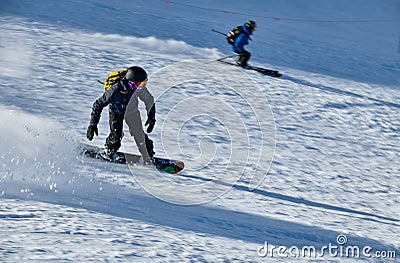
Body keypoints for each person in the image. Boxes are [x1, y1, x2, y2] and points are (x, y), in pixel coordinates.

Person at [86, 66, 156, 164]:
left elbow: (149, 100)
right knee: (116, 136)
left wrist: (151, 117)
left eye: (144, 84)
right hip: (116, 112)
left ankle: (148, 156)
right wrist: (92, 125)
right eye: (140, 84)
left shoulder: (140, 89)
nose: (142, 87)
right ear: (131, 82)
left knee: (139, 135)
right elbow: (98, 104)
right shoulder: (115, 90)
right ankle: (109, 152)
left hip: (132, 112)